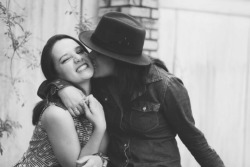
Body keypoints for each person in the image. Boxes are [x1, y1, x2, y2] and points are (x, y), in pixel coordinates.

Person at [38, 12, 225, 167]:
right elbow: (54, 80)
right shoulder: (101, 83)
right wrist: (61, 87)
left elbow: (196, 142)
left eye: (99, 52)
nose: (91, 56)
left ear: (119, 60)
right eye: (92, 49)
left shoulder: (165, 87)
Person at [13, 34, 109, 167]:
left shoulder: (99, 102)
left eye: (80, 51)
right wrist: (100, 127)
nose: (77, 58)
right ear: (56, 75)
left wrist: (101, 160)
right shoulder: (57, 113)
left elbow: (99, 154)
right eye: (65, 59)